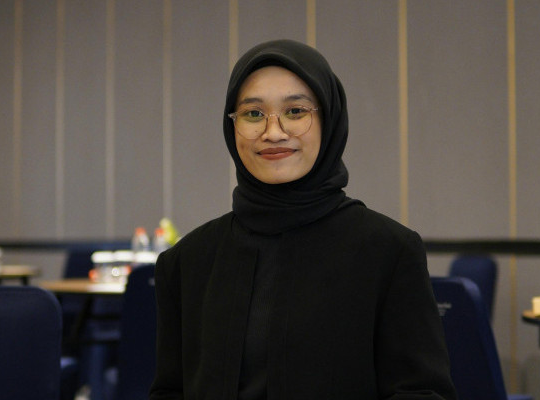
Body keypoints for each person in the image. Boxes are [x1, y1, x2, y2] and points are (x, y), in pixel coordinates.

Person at [149, 39, 456, 400]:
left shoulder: (388, 251)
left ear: (329, 120)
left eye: (295, 111)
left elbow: (420, 393)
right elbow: (170, 391)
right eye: (253, 114)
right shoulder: (187, 262)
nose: (273, 132)